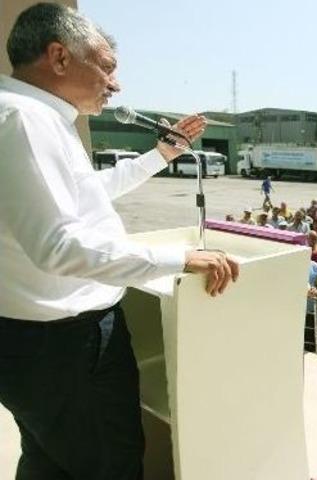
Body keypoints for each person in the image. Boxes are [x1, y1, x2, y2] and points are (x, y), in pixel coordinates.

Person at [0, 5, 239, 478]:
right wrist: (180, 258)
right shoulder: (26, 120)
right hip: (65, 347)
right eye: (107, 67)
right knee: (111, 464)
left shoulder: (34, 114)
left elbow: (84, 194)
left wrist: (160, 156)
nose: (116, 84)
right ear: (59, 57)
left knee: (50, 464)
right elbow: (58, 246)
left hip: (39, 345)